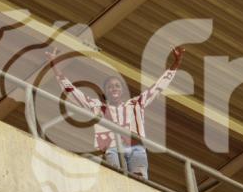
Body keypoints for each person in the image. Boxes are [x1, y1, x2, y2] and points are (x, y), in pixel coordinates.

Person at [45, 46, 185, 179]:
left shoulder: (136, 103)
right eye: (110, 87)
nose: (114, 88)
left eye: (117, 86)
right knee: (116, 178)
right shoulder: (97, 107)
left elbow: (158, 87)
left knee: (139, 181)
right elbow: (72, 91)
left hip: (136, 149)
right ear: (106, 92)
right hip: (112, 149)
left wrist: (175, 64)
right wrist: (55, 67)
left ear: (122, 90)